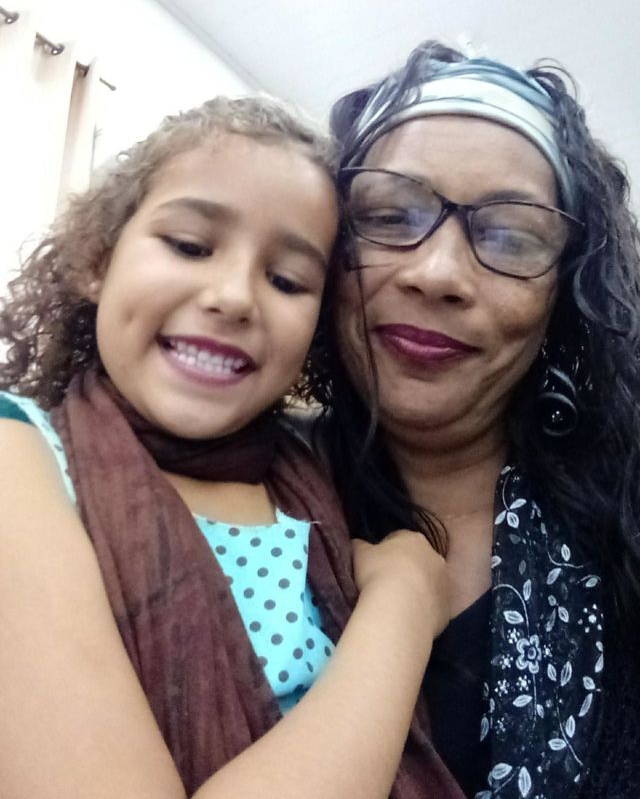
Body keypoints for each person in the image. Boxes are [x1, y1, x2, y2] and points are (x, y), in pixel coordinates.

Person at [0, 96, 452, 799]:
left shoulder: (316, 478)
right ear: (98, 259)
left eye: (287, 280)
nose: (235, 297)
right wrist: (404, 604)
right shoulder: (19, 455)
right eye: (189, 245)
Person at [308, 42, 640, 798]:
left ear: (565, 295)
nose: (438, 274)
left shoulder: (624, 518)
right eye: (389, 216)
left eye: (511, 236)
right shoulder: (229, 488)